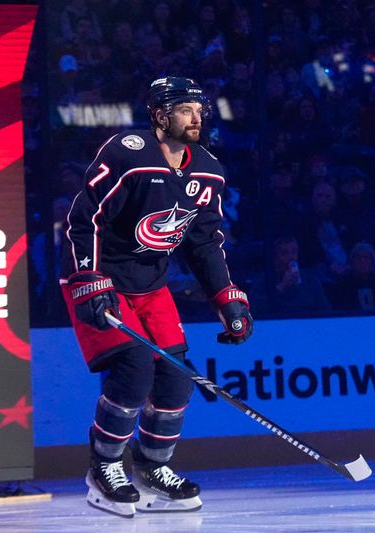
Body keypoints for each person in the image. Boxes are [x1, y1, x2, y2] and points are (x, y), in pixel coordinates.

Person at [60, 77, 253, 516]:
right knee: (133, 369)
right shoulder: (127, 153)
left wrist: (227, 298)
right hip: (100, 277)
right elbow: (82, 219)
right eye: (186, 110)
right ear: (161, 115)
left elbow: (204, 242)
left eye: (199, 110)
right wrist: (88, 277)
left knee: (176, 375)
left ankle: (152, 468)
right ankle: (104, 466)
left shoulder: (208, 171)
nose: (196, 117)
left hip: (150, 284)